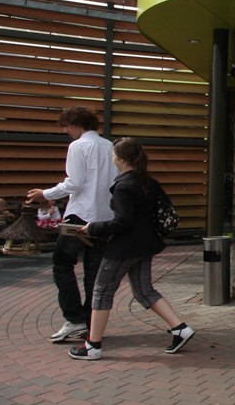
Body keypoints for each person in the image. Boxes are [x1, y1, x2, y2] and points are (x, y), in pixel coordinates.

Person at [68, 138, 195, 360]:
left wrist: (92, 228)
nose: (112, 157)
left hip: (124, 248)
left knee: (102, 291)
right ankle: (180, 329)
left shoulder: (124, 186)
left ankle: (93, 346)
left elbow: (123, 222)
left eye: (113, 154)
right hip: (146, 245)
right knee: (144, 289)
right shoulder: (148, 181)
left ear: (121, 159)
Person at [26, 106, 116, 343]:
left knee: (62, 264)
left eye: (67, 126)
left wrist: (45, 194)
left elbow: (74, 183)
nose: (66, 130)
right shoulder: (110, 146)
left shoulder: (78, 146)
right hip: (105, 216)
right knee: (93, 271)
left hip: (80, 215)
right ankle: (90, 322)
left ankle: (74, 319)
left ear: (77, 124)